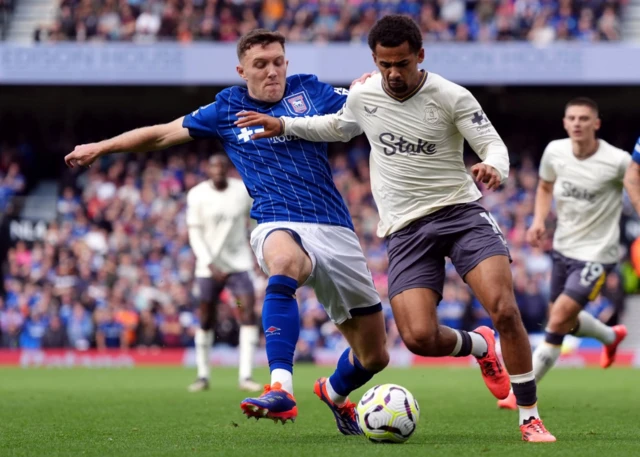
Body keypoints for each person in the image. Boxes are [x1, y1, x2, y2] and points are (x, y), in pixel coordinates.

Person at [235, 15, 555, 442]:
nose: (393, 73)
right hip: (406, 230)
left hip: (461, 213)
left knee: (505, 308)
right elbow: (337, 126)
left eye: (402, 63)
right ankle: (481, 345)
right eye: (384, 64)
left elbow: (492, 144)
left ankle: (529, 416)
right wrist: (285, 125)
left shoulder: (451, 95)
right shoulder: (365, 94)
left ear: (419, 56)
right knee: (419, 337)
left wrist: (494, 167)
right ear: (374, 60)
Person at [65, 29, 388, 435]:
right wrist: (102, 146)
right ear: (242, 70)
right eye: (261, 65)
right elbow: (163, 133)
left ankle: (334, 391)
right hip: (276, 219)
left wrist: (369, 83)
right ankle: (280, 389)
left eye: (277, 62)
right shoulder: (227, 108)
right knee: (283, 262)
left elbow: (368, 103)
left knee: (374, 356)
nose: (272, 71)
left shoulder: (312, 91)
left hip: (334, 227)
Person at [496, 98, 640, 410]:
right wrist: (537, 220)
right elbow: (545, 187)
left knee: (559, 317)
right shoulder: (555, 152)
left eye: (584, 118)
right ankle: (610, 336)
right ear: (565, 123)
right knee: (565, 321)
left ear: (596, 124)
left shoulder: (617, 160)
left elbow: (634, 183)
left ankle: (520, 392)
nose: (577, 123)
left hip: (598, 254)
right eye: (572, 118)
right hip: (562, 249)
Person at [186, 153, 261, 393]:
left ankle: (246, 376)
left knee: (245, 312)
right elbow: (194, 233)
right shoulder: (197, 194)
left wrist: (259, 250)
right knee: (206, 318)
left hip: (238, 267)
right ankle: (203, 375)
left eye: (221, 166)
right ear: (207, 169)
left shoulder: (242, 191)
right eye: (213, 166)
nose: (217, 169)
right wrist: (208, 262)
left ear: (227, 169)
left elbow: (255, 221)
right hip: (209, 269)